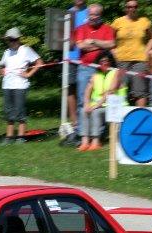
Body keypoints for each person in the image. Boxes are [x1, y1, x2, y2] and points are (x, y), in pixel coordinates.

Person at [74, 4, 115, 136]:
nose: (92, 17)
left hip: (102, 70)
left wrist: (92, 41)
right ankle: (82, 133)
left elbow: (111, 44)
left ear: (100, 15)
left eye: (95, 14)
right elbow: (81, 46)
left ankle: (98, 133)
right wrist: (101, 45)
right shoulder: (81, 28)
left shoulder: (107, 29)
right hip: (85, 67)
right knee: (82, 99)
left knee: (100, 100)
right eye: (90, 14)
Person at [0, 28, 43, 144]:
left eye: (13, 40)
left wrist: (28, 74)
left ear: (18, 39)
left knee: (20, 111)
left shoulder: (26, 49)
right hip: (7, 85)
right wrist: (1, 70)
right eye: (9, 40)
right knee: (9, 111)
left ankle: (21, 137)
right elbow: (1, 66)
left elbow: (39, 63)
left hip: (20, 85)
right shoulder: (6, 52)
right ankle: (9, 137)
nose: (11, 42)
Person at [78, 51, 126, 152]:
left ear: (111, 62)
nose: (104, 63)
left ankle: (96, 141)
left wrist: (97, 105)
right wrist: (86, 104)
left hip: (114, 106)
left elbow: (111, 91)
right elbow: (87, 90)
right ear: (98, 63)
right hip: (99, 105)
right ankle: (85, 141)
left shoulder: (116, 72)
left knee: (96, 112)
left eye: (106, 61)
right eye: (102, 61)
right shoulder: (95, 74)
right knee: (83, 110)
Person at [111, 1, 152, 106]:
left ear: (137, 8)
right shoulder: (118, 22)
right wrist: (114, 52)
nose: (132, 9)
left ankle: (140, 114)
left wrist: (147, 51)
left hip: (139, 60)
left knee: (140, 91)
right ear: (125, 8)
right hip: (121, 59)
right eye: (129, 7)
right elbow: (110, 40)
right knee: (120, 88)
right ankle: (118, 115)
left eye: (135, 7)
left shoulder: (144, 21)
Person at [66, 0, 89, 134]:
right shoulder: (67, 13)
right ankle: (75, 122)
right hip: (70, 56)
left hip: (87, 57)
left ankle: (86, 119)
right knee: (71, 88)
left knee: (87, 88)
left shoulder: (90, 12)